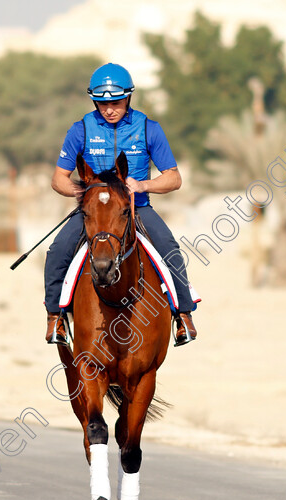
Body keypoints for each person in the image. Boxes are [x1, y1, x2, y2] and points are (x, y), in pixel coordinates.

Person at [44, 62, 197, 347]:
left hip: (136, 208)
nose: (109, 109)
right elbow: (58, 179)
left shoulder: (149, 128)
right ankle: (56, 318)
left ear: (128, 97)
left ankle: (183, 316)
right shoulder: (80, 130)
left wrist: (143, 185)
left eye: (116, 102)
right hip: (94, 210)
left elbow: (174, 178)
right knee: (58, 251)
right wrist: (85, 194)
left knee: (170, 248)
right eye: (102, 103)